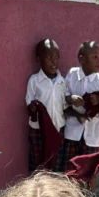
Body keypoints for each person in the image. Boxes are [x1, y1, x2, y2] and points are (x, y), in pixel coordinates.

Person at [55, 42, 99, 189]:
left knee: (90, 169)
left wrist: (98, 102)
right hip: (73, 132)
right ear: (81, 59)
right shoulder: (72, 75)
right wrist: (72, 99)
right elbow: (63, 96)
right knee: (70, 166)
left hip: (92, 134)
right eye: (94, 57)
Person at [26, 39, 66, 173]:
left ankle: (53, 192)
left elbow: (65, 105)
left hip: (57, 129)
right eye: (49, 57)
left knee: (56, 164)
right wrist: (32, 107)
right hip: (38, 131)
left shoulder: (62, 82)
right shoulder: (34, 81)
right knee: (39, 164)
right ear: (39, 59)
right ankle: (37, 191)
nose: (54, 61)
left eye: (57, 57)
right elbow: (29, 102)